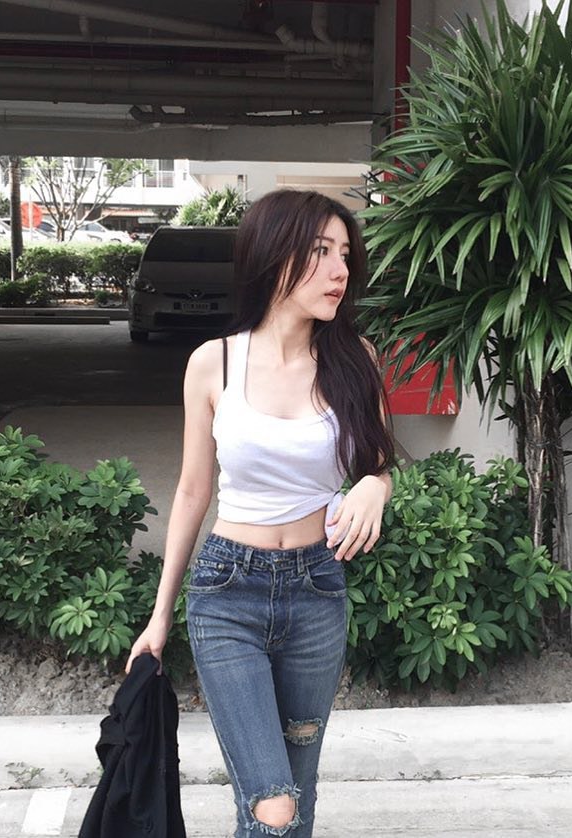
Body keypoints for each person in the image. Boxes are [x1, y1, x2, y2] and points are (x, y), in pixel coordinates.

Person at [126, 189, 395, 837]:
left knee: (296, 791)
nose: (340, 270)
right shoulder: (213, 363)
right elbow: (193, 491)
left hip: (316, 592)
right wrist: (160, 616)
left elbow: (380, 465)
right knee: (272, 803)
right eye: (321, 252)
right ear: (275, 256)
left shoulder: (356, 360)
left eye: (345, 255)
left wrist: (375, 487)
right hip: (228, 594)